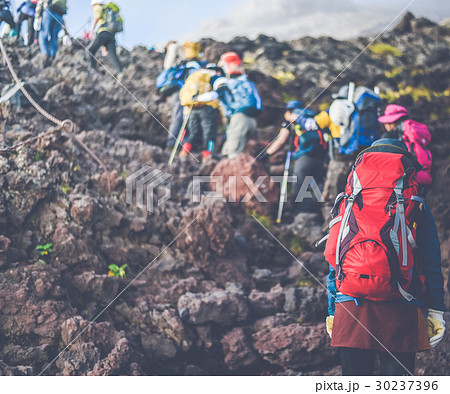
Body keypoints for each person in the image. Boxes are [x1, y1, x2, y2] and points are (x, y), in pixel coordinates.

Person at [324, 138, 446, 376]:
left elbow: (334, 257)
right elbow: (431, 263)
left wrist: (332, 309)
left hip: (351, 306)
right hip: (402, 305)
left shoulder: (348, 202)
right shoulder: (417, 205)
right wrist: (436, 311)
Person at [263, 100, 326, 213]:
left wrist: (266, 154)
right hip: (321, 157)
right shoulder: (312, 116)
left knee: (300, 187)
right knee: (318, 185)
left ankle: (302, 215)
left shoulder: (292, 118)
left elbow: (281, 140)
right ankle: (320, 212)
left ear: (288, 111)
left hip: (304, 157)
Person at [201, 52, 262, 158]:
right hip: (252, 118)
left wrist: (196, 99)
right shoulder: (245, 81)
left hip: (238, 117)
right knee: (248, 149)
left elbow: (214, 95)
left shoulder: (226, 83)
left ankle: (233, 171)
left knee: (234, 151)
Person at [162, 41, 207, 150]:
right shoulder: (195, 66)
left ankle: (176, 144)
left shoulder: (181, 65)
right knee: (180, 117)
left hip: (176, 93)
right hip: (182, 94)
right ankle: (172, 144)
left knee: (180, 117)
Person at [378, 104, 432, 187]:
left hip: (412, 177)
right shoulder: (412, 132)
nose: (385, 125)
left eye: (387, 122)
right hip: (423, 175)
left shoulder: (399, 136)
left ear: (394, 122)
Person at [178, 64, 222, 161]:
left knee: (193, 132)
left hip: (192, 107)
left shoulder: (195, 75)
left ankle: (184, 152)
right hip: (208, 108)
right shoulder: (213, 76)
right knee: (209, 133)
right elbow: (218, 91)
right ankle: (207, 156)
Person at [87, 0, 123, 75]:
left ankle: (92, 69)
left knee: (89, 50)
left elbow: (97, 17)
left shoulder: (98, 7)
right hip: (111, 35)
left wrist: (92, 30)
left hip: (103, 32)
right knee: (112, 55)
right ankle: (120, 73)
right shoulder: (107, 9)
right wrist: (104, 47)